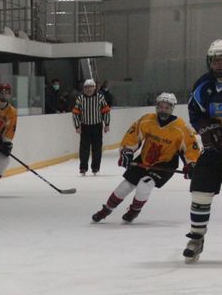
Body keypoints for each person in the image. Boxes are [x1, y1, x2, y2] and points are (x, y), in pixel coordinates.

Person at [91, 93, 199, 223]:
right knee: (125, 186)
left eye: (167, 107)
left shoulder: (181, 128)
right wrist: (127, 151)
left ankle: (134, 210)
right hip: (144, 159)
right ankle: (106, 210)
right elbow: (133, 135)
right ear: (156, 107)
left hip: (165, 164)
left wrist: (192, 164)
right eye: (160, 107)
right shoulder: (147, 120)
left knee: (145, 184)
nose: (163, 110)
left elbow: (190, 147)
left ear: (172, 108)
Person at [182, 39, 222, 263]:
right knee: (200, 193)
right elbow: (194, 112)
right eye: (215, 60)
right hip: (213, 150)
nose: (218, 64)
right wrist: (206, 129)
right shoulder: (203, 85)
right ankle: (196, 238)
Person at [72, 78, 111, 175]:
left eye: (91, 87)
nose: (89, 89)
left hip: (97, 126)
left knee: (97, 148)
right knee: (84, 149)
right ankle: (83, 168)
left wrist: (107, 124)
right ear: (84, 88)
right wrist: (77, 126)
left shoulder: (100, 97)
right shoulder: (80, 98)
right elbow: (75, 113)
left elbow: (106, 111)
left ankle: (95, 167)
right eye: (86, 87)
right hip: (85, 126)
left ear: (94, 88)